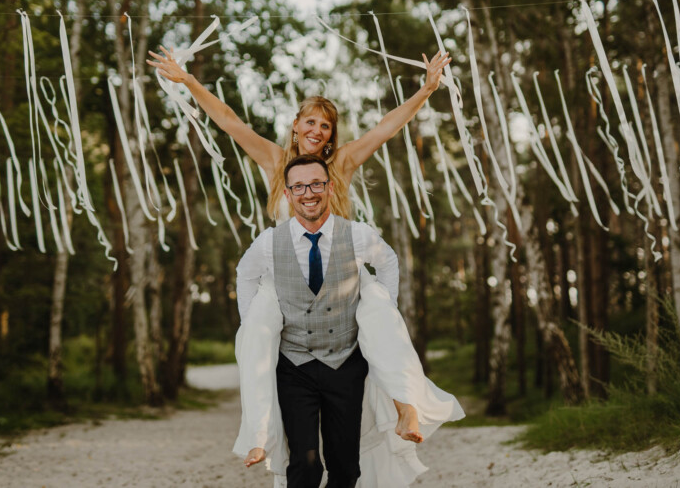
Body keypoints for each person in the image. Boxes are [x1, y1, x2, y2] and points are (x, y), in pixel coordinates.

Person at [147, 47, 463, 485]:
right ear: (296, 125)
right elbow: (230, 122)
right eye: (310, 121)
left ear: (331, 136)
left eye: (325, 125)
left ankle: (405, 404)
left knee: (380, 311)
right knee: (256, 330)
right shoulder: (276, 162)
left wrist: (426, 89)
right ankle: (257, 433)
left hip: (343, 276)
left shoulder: (341, 163)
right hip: (286, 279)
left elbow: (386, 127)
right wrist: (188, 81)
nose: (317, 130)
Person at [238, 154, 401, 487]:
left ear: (330, 187)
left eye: (315, 184)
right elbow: (245, 274)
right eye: (298, 187)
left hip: (346, 362)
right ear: (287, 194)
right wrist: (252, 326)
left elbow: (388, 262)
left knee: (345, 466)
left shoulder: (358, 235)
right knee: (305, 462)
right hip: (294, 366)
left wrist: (383, 312)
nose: (308, 193)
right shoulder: (269, 242)